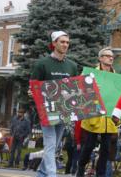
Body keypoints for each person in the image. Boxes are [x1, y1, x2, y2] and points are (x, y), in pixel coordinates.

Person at [30, 31, 79, 177]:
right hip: (47, 111)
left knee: (55, 146)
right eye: (62, 42)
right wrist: (31, 92)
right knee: (50, 145)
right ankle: (52, 174)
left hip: (64, 111)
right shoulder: (42, 64)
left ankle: (42, 172)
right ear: (54, 43)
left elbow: (75, 89)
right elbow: (33, 86)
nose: (65, 45)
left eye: (67, 42)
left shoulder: (72, 66)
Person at [76, 47, 118, 177]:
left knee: (105, 150)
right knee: (88, 147)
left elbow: (119, 94)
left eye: (112, 56)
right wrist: (91, 89)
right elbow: (80, 93)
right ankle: (81, 168)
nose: (110, 58)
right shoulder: (91, 74)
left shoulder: (116, 77)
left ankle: (100, 174)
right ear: (100, 58)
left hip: (108, 119)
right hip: (93, 118)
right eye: (107, 55)